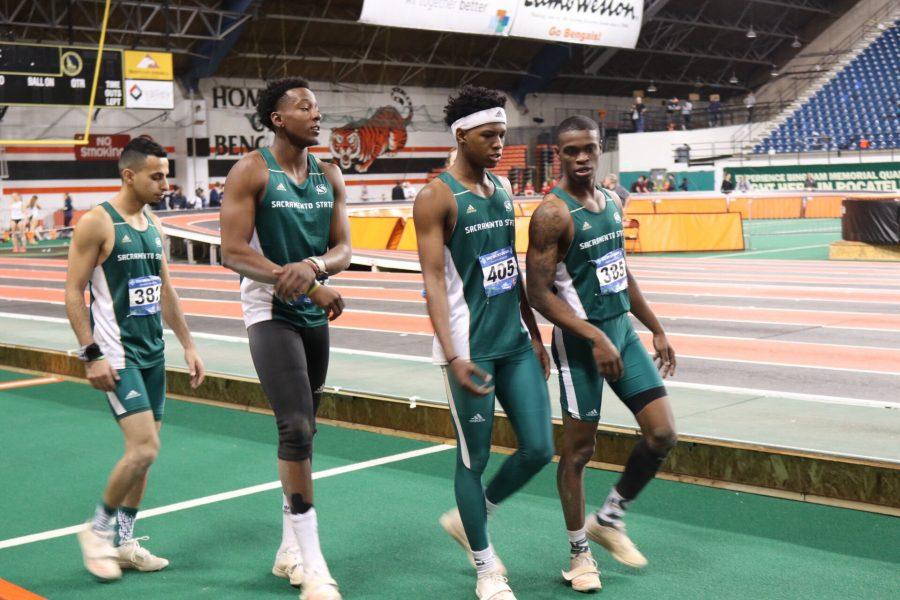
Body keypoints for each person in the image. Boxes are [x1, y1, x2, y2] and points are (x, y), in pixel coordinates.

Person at [525, 115, 678, 592]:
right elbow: (538, 293)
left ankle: (609, 517)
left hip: (622, 335)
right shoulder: (553, 215)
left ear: (599, 148)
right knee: (578, 452)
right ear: (559, 154)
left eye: (588, 148)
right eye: (571, 151)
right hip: (580, 347)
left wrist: (655, 328)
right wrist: (593, 336)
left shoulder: (612, 199)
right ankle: (578, 554)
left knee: (662, 435)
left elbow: (620, 272)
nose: (582, 158)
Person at [414, 84, 554, 600]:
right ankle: (485, 564)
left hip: (515, 343)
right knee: (472, 460)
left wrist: (535, 335)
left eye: (503, 135)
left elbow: (509, 269)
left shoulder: (502, 189)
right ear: (461, 135)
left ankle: (474, 514)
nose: (499, 144)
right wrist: (452, 355)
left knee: (539, 448)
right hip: (469, 351)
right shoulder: (437, 196)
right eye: (490, 135)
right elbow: (431, 280)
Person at [220, 77, 350, 600]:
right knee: (294, 426)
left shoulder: (330, 174)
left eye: (318, 107)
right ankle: (315, 565)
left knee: (307, 431)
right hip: (269, 310)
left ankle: (287, 547)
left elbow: (343, 248)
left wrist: (316, 268)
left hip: (312, 316)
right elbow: (232, 252)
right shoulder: (251, 170)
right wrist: (298, 283)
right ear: (277, 119)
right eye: (304, 108)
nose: (316, 115)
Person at [65, 136, 205, 582]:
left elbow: (166, 291)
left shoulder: (153, 225)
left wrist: (187, 343)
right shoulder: (96, 223)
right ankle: (97, 531)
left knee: (143, 456)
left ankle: (124, 542)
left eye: (167, 175)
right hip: (117, 356)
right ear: (129, 175)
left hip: (153, 355)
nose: (166, 183)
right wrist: (91, 356)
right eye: (157, 176)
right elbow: (72, 292)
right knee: (145, 447)